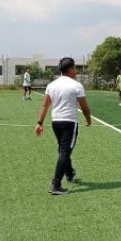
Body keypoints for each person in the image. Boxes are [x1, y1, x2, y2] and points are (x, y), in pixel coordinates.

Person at [35, 57, 92, 195]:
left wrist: (39, 123)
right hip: (69, 122)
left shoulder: (52, 85)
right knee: (65, 152)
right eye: (75, 68)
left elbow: (45, 105)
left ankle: (70, 173)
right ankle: (56, 185)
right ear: (70, 69)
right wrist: (88, 119)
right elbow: (84, 107)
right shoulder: (76, 85)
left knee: (63, 150)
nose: (76, 70)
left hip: (56, 122)